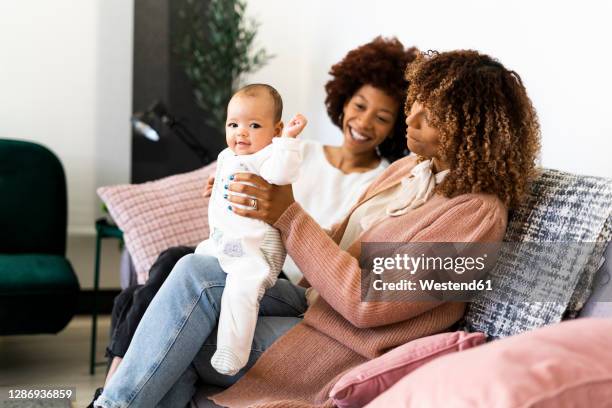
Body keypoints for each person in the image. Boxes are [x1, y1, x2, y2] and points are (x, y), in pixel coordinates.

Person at [94, 48, 540, 407]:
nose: (411, 117)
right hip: (310, 307)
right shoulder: (407, 171)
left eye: (430, 114)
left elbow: (367, 304)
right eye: (417, 102)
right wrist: (254, 207)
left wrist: (287, 213)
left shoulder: (477, 216)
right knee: (193, 270)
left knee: (184, 334)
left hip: (344, 344)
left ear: (469, 129)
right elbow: (333, 245)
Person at [93, 36, 417, 399]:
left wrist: (280, 208)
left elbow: (336, 243)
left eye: (383, 117)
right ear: (343, 100)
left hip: (284, 269)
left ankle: (112, 392)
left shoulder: (379, 181)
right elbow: (248, 171)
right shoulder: (298, 150)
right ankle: (116, 382)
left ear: (394, 127)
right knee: (164, 267)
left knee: (178, 270)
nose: (365, 121)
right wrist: (223, 187)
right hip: (246, 244)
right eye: (359, 105)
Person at [195, 83, 307, 375]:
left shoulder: (269, 155)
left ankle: (233, 349)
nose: (241, 132)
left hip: (255, 249)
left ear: (276, 129)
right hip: (224, 243)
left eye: (254, 125)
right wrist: (215, 184)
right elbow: (229, 176)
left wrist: (289, 141)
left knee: (241, 289)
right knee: (192, 263)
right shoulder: (226, 156)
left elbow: (283, 173)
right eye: (233, 124)